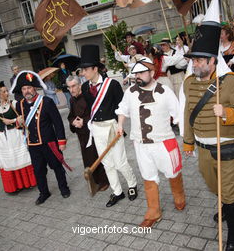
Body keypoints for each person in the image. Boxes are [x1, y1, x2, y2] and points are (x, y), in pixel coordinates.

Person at [182, 0, 234, 250]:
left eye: (200, 60)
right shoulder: (189, 82)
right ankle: (226, 204)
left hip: (228, 147)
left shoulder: (231, 82)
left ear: (213, 61)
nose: (195, 64)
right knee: (215, 187)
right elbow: (187, 113)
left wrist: (227, 113)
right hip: (203, 149)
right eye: (192, 60)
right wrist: (188, 143)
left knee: (230, 192)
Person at [116, 57, 185, 228]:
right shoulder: (130, 92)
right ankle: (154, 211)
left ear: (152, 73)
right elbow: (122, 109)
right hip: (141, 144)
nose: (137, 76)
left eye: (141, 72)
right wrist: (120, 124)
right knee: (148, 177)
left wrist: (187, 138)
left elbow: (178, 116)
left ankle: (179, 196)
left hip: (164, 142)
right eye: (135, 73)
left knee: (173, 173)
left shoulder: (165, 91)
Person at [80, 44, 138, 207]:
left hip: (113, 127)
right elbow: (91, 108)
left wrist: (121, 126)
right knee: (106, 162)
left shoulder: (112, 85)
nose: (83, 73)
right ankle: (117, 191)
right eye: (82, 70)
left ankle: (132, 184)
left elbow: (122, 108)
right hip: (97, 129)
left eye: (85, 70)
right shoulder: (85, 88)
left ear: (95, 69)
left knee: (120, 161)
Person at [10, 71, 71, 205]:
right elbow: (21, 126)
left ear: (35, 88)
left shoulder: (46, 101)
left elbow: (57, 123)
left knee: (56, 166)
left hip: (49, 143)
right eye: (24, 89)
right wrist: (18, 123)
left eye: (29, 88)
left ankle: (63, 188)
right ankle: (44, 192)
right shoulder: (19, 105)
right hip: (33, 145)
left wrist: (61, 141)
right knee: (38, 170)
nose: (27, 91)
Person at [66, 75, 109, 191]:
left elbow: (95, 113)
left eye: (74, 86)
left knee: (96, 155)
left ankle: (104, 181)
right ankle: (95, 181)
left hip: (92, 132)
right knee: (87, 158)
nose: (71, 89)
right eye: (69, 87)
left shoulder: (88, 96)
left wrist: (83, 122)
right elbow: (70, 116)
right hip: (81, 135)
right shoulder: (71, 99)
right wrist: (73, 121)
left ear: (80, 85)